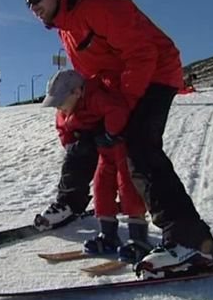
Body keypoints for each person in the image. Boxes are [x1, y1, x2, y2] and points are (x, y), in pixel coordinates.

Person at [26, 0, 213, 273]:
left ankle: (189, 242)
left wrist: (124, 110)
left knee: (138, 148)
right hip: (120, 86)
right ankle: (70, 204)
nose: (33, 7)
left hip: (155, 75)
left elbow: (143, 52)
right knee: (83, 138)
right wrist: (76, 117)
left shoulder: (96, 7)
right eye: (28, 4)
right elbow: (90, 76)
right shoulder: (65, 29)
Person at [38, 69, 151, 257]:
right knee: (101, 188)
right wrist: (70, 145)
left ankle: (138, 238)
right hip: (103, 152)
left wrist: (110, 133)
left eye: (61, 101)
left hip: (121, 148)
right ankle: (108, 235)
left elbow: (117, 110)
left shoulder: (95, 97)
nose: (59, 107)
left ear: (77, 92)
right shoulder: (65, 110)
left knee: (127, 186)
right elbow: (63, 128)